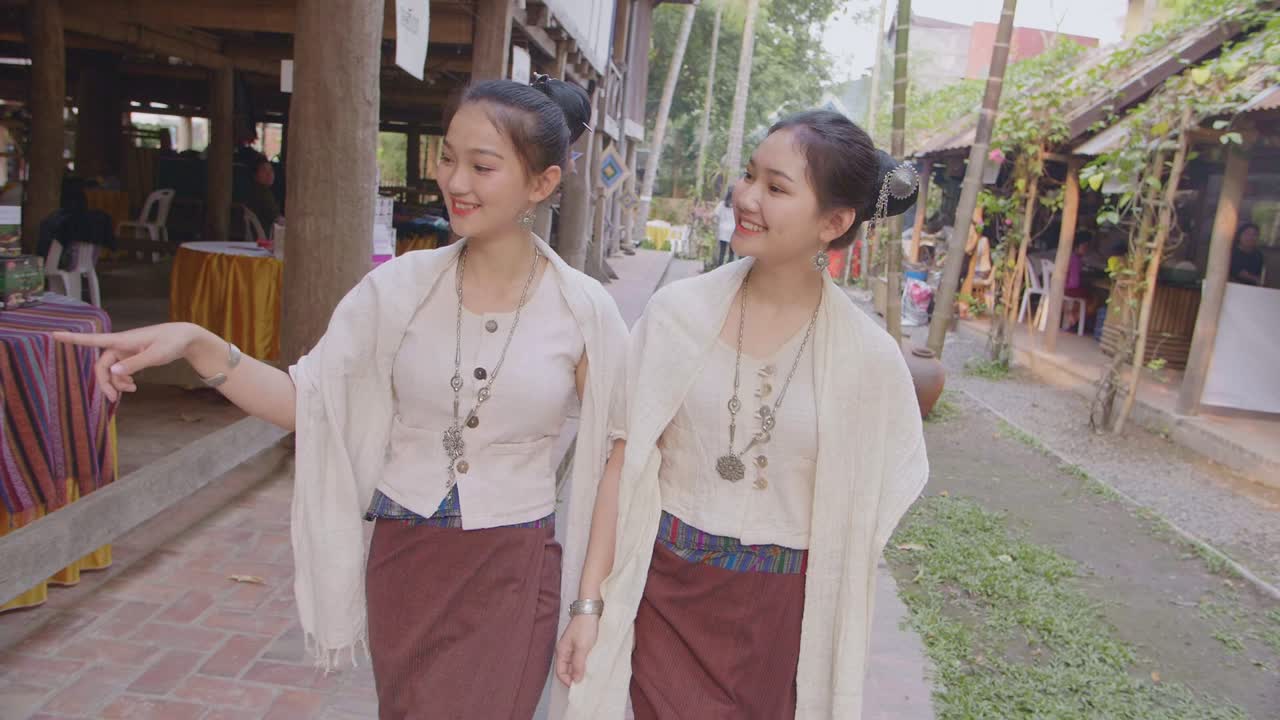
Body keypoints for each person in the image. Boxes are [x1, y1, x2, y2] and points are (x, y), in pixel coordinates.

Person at [56, 76, 629, 720]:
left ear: (542, 184)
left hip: (512, 570)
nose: (456, 182)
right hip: (405, 561)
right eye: (448, 157)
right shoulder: (400, 289)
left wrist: (588, 604)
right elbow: (309, 403)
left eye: (483, 166)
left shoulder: (584, 310)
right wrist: (198, 344)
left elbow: (618, 456)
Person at [554, 110, 928, 719]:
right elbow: (624, 462)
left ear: (833, 222)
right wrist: (589, 605)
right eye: (749, 176)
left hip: (779, 618)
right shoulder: (677, 313)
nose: (747, 197)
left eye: (776, 188)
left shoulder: (868, 359)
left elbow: (876, 501)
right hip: (666, 594)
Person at [246, 155, 281, 231]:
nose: (269, 174)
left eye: (271, 170)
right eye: (264, 170)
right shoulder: (263, 193)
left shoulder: (254, 191)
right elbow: (278, 220)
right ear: (255, 175)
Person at [715, 185, 736, 266]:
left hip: (723, 230)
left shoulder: (722, 204)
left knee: (722, 252)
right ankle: (729, 272)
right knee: (731, 253)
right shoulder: (736, 205)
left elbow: (716, 214)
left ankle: (719, 270)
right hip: (733, 231)